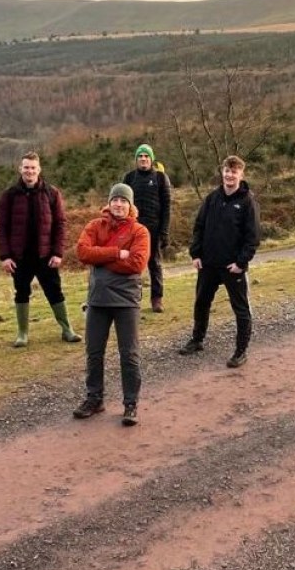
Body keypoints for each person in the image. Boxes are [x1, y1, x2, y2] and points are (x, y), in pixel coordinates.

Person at [73, 183, 151, 426]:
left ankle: (130, 404)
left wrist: (101, 258)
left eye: (123, 201)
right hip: (98, 300)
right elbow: (83, 252)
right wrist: (117, 253)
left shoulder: (140, 231)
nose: (118, 204)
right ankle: (94, 399)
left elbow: (137, 264)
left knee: (129, 354)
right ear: (109, 202)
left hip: (126, 301)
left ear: (130, 205)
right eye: (115, 200)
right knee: (94, 352)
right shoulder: (95, 226)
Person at [178, 155, 261, 368]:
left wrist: (241, 263)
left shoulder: (247, 202)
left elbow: (252, 238)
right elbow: (199, 227)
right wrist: (196, 254)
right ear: (222, 172)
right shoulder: (212, 198)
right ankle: (197, 340)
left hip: (233, 267)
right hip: (208, 263)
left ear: (241, 175)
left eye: (234, 171)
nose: (229, 175)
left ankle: (241, 351)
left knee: (240, 309)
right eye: (227, 170)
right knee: (201, 302)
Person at [0, 152, 82, 347]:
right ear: (20, 169)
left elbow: (60, 224)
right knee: (21, 292)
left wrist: (58, 253)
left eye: (33, 168)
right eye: (26, 167)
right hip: (19, 257)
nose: (29, 171)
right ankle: (22, 334)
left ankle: (67, 329)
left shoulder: (52, 193)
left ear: (39, 170)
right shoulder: (9, 195)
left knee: (55, 291)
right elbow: (1, 227)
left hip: (46, 255)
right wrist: (5, 256)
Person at [123, 143, 172, 313]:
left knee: (155, 264)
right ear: (136, 159)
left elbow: (167, 206)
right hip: (133, 229)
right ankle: (132, 299)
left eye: (146, 156)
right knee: (131, 265)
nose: (143, 159)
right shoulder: (129, 178)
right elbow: (123, 205)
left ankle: (157, 300)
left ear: (151, 159)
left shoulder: (160, 178)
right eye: (140, 156)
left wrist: (165, 232)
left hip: (154, 229)